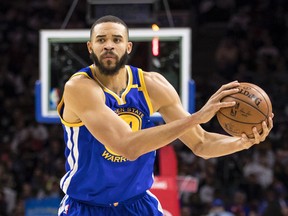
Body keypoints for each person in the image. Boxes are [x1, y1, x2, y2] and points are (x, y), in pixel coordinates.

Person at [57, 15, 273, 216]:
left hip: (137, 204)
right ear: (90, 47)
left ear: (128, 46)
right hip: (86, 207)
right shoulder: (79, 88)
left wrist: (243, 142)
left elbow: (202, 144)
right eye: (101, 40)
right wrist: (196, 117)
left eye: (117, 39)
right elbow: (127, 146)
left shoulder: (152, 85)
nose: (109, 45)